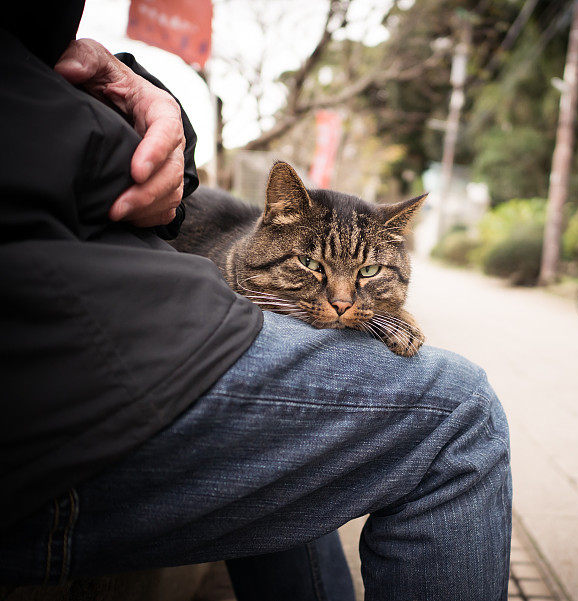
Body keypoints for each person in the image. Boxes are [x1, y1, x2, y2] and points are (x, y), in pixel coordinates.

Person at [0, 3, 512, 600]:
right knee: (461, 413)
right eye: (317, 273)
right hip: (54, 402)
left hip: (88, 310)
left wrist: (151, 101)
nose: (342, 302)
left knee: (304, 449)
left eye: (363, 280)